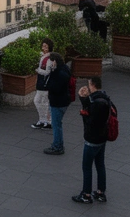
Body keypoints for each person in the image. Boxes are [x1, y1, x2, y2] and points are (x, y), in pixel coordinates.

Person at [72, 76, 111, 205]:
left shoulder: (96, 103)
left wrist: (84, 110)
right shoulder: (105, 98)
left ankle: (86, 194)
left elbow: (90, 121)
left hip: (92, 139)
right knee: (100, 164)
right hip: (103, 138)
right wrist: (84, 99)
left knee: (87, 167)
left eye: (89, 84)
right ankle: (100, 192)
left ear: (92, 85)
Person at [43, 52, 73, 155]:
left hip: (58, 102)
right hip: (63, 101)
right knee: (57, 124)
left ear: (54, 61)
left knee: (56, 125)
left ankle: (57, 146)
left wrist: (53, 73)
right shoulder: (64, 69)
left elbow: (54, 87)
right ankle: (58, 145)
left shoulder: (59, 73)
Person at [32, 38, 55, 130]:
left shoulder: (49, 59)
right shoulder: (44, 57)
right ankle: (45, 121)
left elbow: (47, 72)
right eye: (43, 46)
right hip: (42, 83)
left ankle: (45, 121)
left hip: (44, 84)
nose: (44, 48)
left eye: (46, 46)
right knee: (41, 102)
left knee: (40, 102)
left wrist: (38, 70)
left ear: (49, 47)